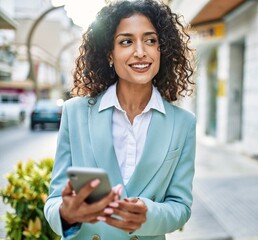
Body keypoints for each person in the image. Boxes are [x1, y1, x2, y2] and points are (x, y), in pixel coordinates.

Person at [44, 0, 196, 239]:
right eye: (126, 41)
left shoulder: (184, 123)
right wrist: (67, 213)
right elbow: (54, 202)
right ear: (109, 54)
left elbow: (181, 206)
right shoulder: (75, 113)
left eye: (150, 40)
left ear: (162, 50)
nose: (140, 51)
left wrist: (149, 215)